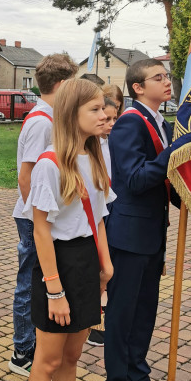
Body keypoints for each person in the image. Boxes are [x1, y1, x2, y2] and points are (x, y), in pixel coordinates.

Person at [25, 78, 112, 381]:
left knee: (73, 357)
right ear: (71, 114)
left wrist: (105, 264)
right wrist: (54, 290)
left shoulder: (93, 157)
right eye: (94, 109)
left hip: (85, 260)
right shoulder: (49, 163)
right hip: (56, 264)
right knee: (48, 360)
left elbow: (100, 218)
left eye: (104, 108)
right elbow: (41, 230)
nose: (104, 114)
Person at [104, 59, 179, 381]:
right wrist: (173, 154)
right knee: (122, 315)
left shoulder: (161, 122)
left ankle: (137, 378)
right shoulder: (130, 123)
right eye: (159, 77)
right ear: (137, 87)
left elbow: (162, 181)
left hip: (152, 235)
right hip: (130, 237)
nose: (167, 82)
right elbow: (132, 180)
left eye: (167, 76)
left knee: (145, 312)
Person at [9, 54, 78, 377]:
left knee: (36, 280)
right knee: (29, 283)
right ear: (63, 85)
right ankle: (23, 350)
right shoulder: (42, 122)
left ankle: (34, 340)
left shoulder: (50, 117)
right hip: (33, 217)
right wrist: (38, 220)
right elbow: (27, 176)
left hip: (39, 216)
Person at [87, 97, 119, 348]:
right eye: (104, 117)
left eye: (113, 118)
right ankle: (94, 322)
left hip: (107, 205)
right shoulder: (91, 146)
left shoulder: (109, 143)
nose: (109, 123)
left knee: (105, 265)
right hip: (92, 211)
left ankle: (98, 318)